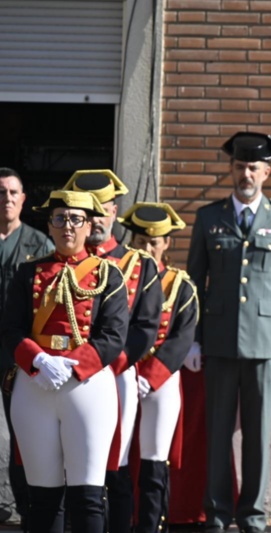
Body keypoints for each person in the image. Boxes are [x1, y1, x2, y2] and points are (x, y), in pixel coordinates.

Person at [187, 131, 271, 533]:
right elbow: (193, 283)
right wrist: (194, 340)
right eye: (239, 166)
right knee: (217, 436)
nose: (245, 174)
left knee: (257, 437)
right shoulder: (208, 217)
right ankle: (217, 514)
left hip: (266, 344)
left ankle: (252, 515)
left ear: (266, 172)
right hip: (217, 342)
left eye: (253, 167)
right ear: (231, 169)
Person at [0, 190, 129, 533]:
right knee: (42, 497)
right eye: (59, 218)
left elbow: (114, 335)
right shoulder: (28, 273)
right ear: (50, 225)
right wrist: (38, 359)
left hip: (86, 385)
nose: (67, 226)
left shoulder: (108, 276)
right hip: (36, 382)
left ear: (89, 226)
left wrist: (74, 364)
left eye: (75, 219)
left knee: (87, 495)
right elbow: (10, 328)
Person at [62, 169, 163, 533]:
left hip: (115, 374)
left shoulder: (141, 264)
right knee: (67, 469)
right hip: (65, 376)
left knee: (114, 468)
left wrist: (105, 364)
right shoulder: (60, 263)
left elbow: (145, 328)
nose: (97, 218)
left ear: (115, 211)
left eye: (102, 210)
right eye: (89, 211)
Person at [119, 201, 199, 533]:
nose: (148, 249)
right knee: (116, 458)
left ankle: (151, 527)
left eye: (155, 242)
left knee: (155, 459)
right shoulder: (114, 277)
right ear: (131, 242)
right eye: (141, 242)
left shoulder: (182, 285)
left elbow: (182, 337)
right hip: (120, 375)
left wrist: (150, 377)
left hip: (161, 379)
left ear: (167, 243)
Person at [0, 167, 54, 528]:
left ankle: (25, 506)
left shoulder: (39, 244)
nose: (6, 199)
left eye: (12, 193)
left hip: (16, 352)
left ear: (23, 199)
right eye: (0, 192)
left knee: (22, 432)